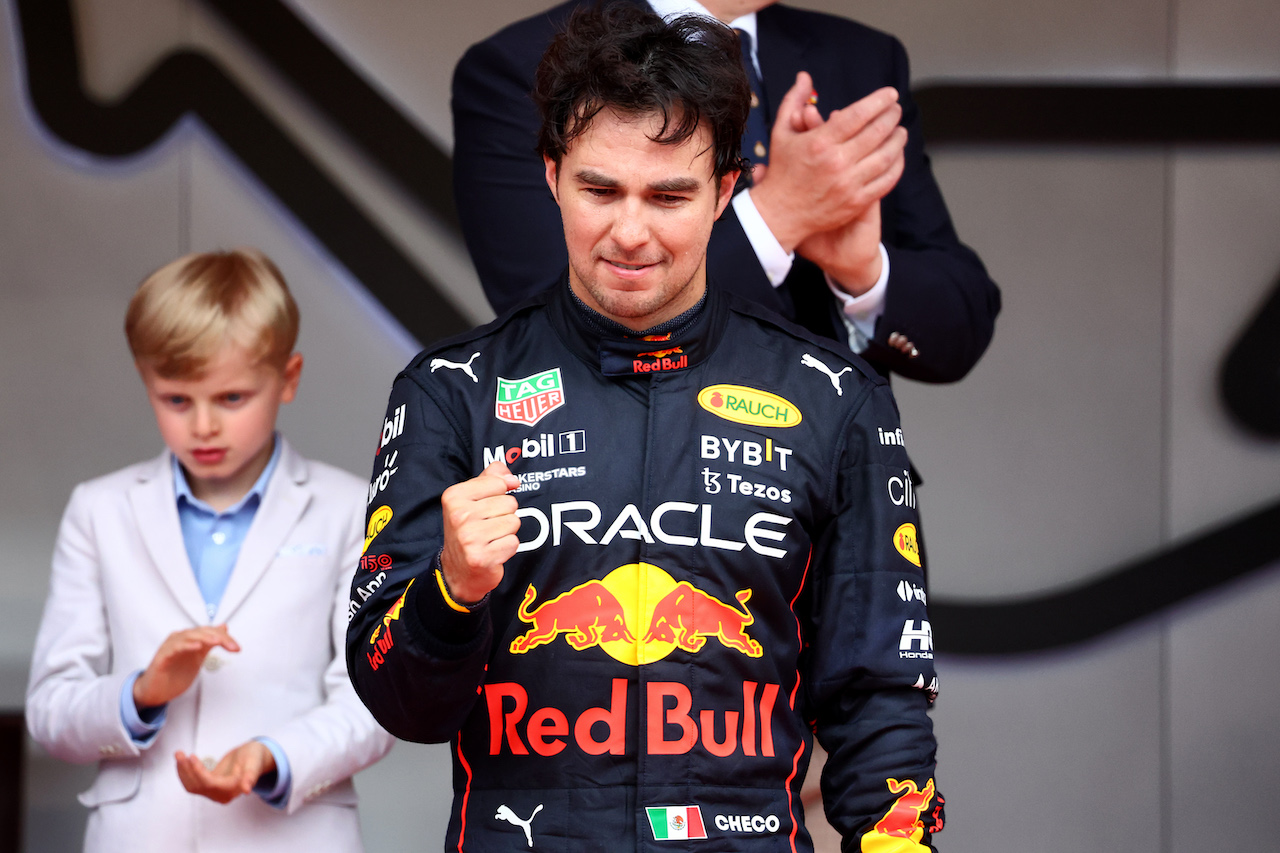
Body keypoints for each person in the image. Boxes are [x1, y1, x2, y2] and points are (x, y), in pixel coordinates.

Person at [348, 7, 941, 850]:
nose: (631, 231)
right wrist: (451, 589)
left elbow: (880, 694)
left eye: (669, 195)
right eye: (600, 189)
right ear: (551, 176)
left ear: (725, 191)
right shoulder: (451, 393)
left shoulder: (834, 399)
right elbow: (401, 704)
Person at [26, 250, 395, 852]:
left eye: (231, 398)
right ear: (147, 383)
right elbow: (49, 712)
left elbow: (375, 703)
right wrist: (141, 692)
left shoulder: (350, 510)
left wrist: (274, 756)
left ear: (290, 378)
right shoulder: (99, 510)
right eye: (176, 399)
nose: (202, 426)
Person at [454, 0, 1001, 384]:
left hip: (840, 502)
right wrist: (776, 219)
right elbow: (543, 322)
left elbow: (961, 330)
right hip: (626, 497)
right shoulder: (522, 63)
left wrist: (864, 274)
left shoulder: (861, 57)